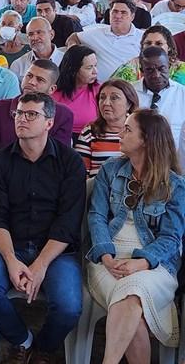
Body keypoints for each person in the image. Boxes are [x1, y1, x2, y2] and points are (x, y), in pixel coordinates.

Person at [0, 92, 85, 364]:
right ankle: (21, 339)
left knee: (69, 306)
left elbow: (68, 222)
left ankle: (43, 348)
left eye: (31, 114)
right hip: (11, 246)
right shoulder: (0, 162)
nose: (22, 119)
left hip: (56, 251)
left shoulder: (70, 162)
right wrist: (12, 260)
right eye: (19, 114)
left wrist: (40, 265)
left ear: (49, 122)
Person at [86, 109, 185, 364]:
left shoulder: (175, 184)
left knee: (132, 294)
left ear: (146, 139)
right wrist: (106, 256)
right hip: (108, 258)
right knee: (133, 310)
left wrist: (140, 263)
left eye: (128, 129)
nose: (121, 132)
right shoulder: (110, 170)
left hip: (155, 264)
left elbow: (171, 238)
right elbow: (96, 216)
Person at [0, 60, 74, 166]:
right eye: (29, 76)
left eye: (40, 80)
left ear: (52, 89)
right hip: (4, 177)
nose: (31, 82)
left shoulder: (63, 114)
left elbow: (61, 159)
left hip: (46, 177)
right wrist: (11, 170)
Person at [68, 0, 144, 82]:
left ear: (132, 17)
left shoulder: (142, 38)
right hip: (98, 88)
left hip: (130, 88)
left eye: (123, 13)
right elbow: (73, 37)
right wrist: (74, 53)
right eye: (115, 11)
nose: (118, 16)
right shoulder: (97, 33)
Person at [132, 46, 185, 164]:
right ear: (141, 70)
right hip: (137, 163)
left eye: (162, 69)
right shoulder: (130, 93)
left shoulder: (182, 94)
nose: (156, 75)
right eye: (150, 70)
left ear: (169, 67)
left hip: (174, 165)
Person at [74, 79, 138, 177]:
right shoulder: (90, 132)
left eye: (114, 98)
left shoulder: (140, 131)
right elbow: (80, 172)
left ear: (129, 104)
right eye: (102, 98)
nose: (106, 103)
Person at [51, 45, 100, 137]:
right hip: (57, 139)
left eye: (95, 66)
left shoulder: (99, 90)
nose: (95, 71)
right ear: (73, 70)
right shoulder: (52, 91)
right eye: (89, 67)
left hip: (88, 141)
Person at [113, 24, 185, 85]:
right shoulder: (130, 69)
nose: (153, 47)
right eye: (148, 43)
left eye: (159, 44)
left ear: (169, 47)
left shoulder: (181, 69)